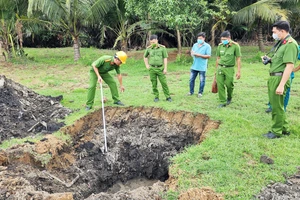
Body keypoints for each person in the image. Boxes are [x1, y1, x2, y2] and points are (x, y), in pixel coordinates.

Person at [262, 21, 298, 139]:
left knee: (276, 107)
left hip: (279, 78)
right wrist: (270, 60)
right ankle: (284, 128)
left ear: (282, 31)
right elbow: (280, 61)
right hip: (274, 77)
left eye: (274, 32)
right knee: (278, 105)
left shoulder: (290, 44)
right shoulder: (282, 44)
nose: (273, 34)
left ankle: (276, 131)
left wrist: (282, 85)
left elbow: (289, 66)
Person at [215, 31, 241, 107]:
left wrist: (239, 71)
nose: (223, 41)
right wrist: (215, 70)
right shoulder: (220, 46)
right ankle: (222, 101)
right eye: (222, 39)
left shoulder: (235, 46)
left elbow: (238, 59)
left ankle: (229, 97)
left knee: (229, 84)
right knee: (220, 85)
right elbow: (218, 58)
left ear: (229, 38)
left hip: (229, 68)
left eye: (224, 39)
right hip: (220, 67)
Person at [144, 34, 172, 102]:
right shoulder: (149, 49)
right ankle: (156, 96)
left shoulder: (162, 48)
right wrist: (147, 65)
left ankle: (168, 97)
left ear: (157, 40)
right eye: (151, 42)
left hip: (160, 68)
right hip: (152, 69)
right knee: (154, 84)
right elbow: (145, 57)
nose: (152, 43)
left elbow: (165, 58)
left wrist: (165, 68)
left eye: (153, 42)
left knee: (164, 83)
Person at [187, 32, 211, 97]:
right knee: (191, 79)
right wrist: (192, 54)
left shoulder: (207, 46)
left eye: (200, 38)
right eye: (198, 38)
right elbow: (192, 52)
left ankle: (200, 92)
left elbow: (208, 56)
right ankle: (191, 91)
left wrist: (199, 55)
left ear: (204, 38)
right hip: (194, 66)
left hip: (202, 67)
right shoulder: (195, 45)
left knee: (202, 80)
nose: (199, 40)